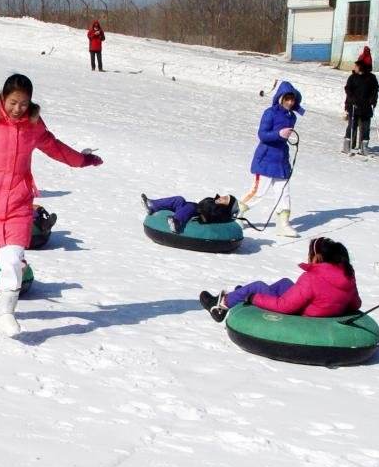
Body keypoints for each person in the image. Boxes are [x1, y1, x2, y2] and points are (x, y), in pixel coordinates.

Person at [0, 73, 103, 335]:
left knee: (12, 260)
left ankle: (5, 312)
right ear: (3, 98)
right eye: (13, 102)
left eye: (23, 104)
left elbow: (55, 147)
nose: (17, 108)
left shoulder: (33, 126)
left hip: (18, 204)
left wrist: (81, 160)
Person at [200, 237, 361, 322]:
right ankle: (241, 294)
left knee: (257, 287)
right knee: (285, 283)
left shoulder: (312, 279)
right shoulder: (347, 275)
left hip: (304, 314)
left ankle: (220, 306)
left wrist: (255, 298)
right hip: (319, 307)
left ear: (317, 257)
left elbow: (284, 306)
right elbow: (355, 304)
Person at [239, 80, 303, 238]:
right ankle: (238, 214)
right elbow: (262, 135)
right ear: (280, 98)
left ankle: (283, 224)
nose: (289, 102)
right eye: (287, 99)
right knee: (259, 192)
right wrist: (278, 134)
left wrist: (287, 138)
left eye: (292, 99)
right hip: (266, 158)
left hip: (281, 160)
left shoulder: (292, 117)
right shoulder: (270, 113)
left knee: (284, 192)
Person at [141, 192, 236, 234]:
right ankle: (152, 206)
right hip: (191, 209)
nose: (222, 197)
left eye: (226, 199)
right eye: (225, 196)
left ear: (227, 206)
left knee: (192, 206)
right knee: (179, 199)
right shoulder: (213, 200)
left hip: (197, 214)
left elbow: (214, 216)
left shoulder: (221, 211)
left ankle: (176, 222)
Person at [343, 57, 379, 155]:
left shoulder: (371, 78)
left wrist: (373, 100)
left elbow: (375, 90)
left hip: (366, 107)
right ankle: (348, 146)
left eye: (356, 66)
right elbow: (348, 89)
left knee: (365, 128)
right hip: (354, 106)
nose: (354, 67)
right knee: (352, 126)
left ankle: (364, 148)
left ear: (361, 67)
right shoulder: (352, 77)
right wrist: (351, 100)